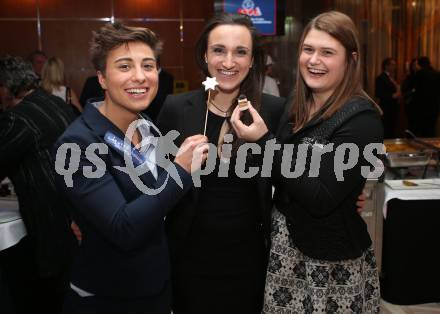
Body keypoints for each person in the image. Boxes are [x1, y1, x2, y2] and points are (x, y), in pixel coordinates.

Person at [230, 11, 383, 313]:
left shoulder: (362, 118)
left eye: (328, 52)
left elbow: (320, 198)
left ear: (350, 59)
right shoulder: (296, 105)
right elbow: (282, 177)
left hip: (331, 261)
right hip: (285, 250)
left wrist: (264, 141)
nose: (314, 60)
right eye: (308, 50)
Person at [53, 23, 208, 314]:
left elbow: (158, 202)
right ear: (101, 78)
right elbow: (124, 227)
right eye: (124, 66)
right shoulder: (75, 143)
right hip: (107, 298)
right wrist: (181, 171)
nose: (140, 76)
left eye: (148, 66)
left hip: (156, 288)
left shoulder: (147, 125)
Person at [156, 13, 286, 314]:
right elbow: (155, 182)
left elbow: (288, 175)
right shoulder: (177, 108)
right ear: (205, 55)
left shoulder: (273, 111)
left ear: (253, 60)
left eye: (240, 52)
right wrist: (176, 166)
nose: (229, 62)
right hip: (190, 256)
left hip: (251, 258)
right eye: (219, 50)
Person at [0, 55, 76, 314]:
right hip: (73, 208)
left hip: (50, 217)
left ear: (7, 87)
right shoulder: (52, 101)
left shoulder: (18, 118)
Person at [411, 56, 440, 137]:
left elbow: (415, 89)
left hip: (422, 108)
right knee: (431, 131)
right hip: (434, 107)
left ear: (420, 64)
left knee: (422, 132)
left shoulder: (420, 73)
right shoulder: (437, 74)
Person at [143, 56, 174, 122]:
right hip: (146, 114)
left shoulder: (167, 77)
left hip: (161, 114)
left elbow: (164, 96)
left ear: (156, 63)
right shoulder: (145, 76)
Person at [375, 57, 400, 138]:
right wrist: (392, 95)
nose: (394, 67)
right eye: (392, 65)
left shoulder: (392, 77)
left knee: (392, 129)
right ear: (386, 66)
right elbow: (379, 93)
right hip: (386, 108)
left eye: (395, 65)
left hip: (393, 108)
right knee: (386, 130)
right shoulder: (381, 78)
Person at [401, 58, 418, 132]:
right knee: (412, 125)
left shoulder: (423, 76)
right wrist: (412, 91)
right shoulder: (410, 76)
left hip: (421, 106)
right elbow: (404, 89)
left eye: (417, 64)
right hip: (411, 105)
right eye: (414, 65)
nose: (416, 66)